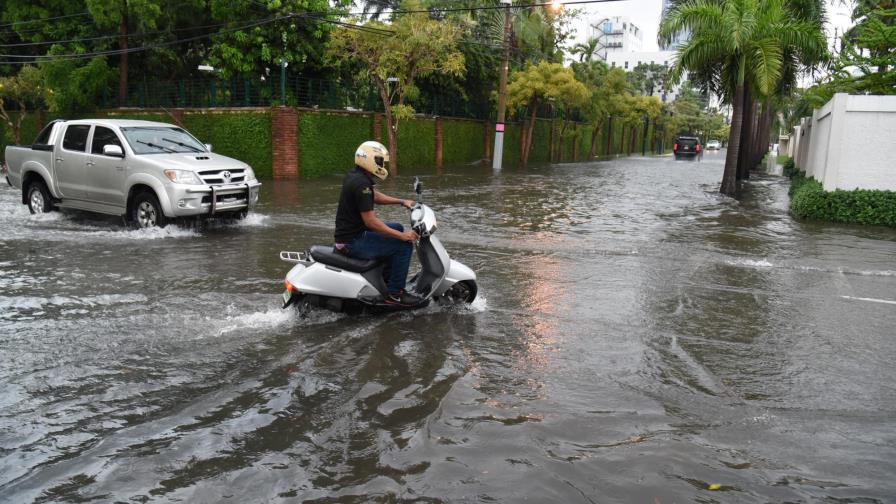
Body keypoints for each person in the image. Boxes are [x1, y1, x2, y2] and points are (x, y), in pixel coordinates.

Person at [334, 141, 424, 306]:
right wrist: (403, 237)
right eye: (380, 161)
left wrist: (402, 201)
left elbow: (373, 195)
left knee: (396, 226)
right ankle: (395, 294)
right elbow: (371, 222)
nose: (382, 165)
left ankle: (386, 278)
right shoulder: (362, 184)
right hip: (352, 242)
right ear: (369, 159)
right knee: (403, 246)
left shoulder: (355, 176)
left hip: (350, 235)